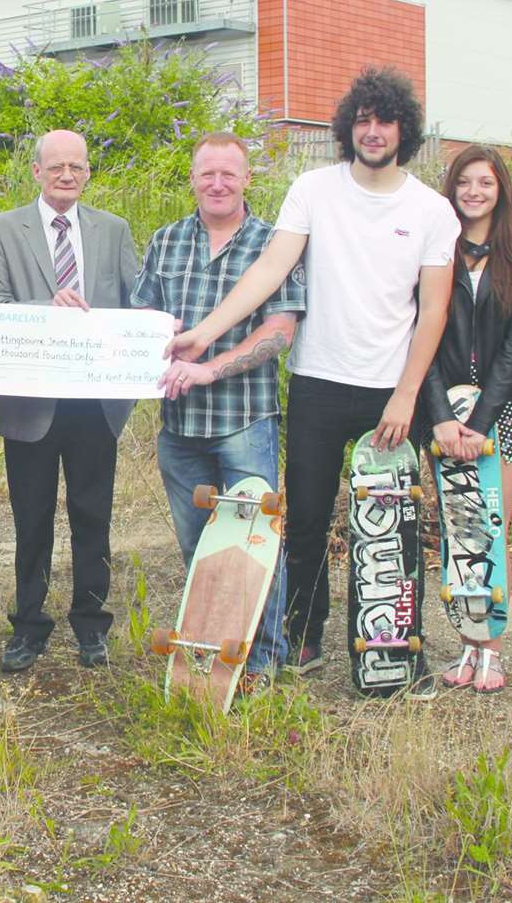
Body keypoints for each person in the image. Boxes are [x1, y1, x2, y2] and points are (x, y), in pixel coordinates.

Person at [168, 68, 459, 683]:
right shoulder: (313, 189)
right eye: (363, 120)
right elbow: (270, 271)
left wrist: (407, 396)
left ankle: (396, 643)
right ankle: (303, 636)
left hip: (390, 389)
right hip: (318, 382)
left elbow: (432, 311)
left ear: (404, 130)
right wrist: (206, 332)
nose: (373, 131)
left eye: (385, 121)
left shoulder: (431, 209)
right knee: (304, 519)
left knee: (393, 521)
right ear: (347, 126)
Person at [137, 131, 303, 694]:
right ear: (192, 177)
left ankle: (265, 662)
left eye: (229, 173)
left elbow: (279, 332)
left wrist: (211, 365)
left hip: (244, 420)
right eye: (207, 172)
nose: (217, 183)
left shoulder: (272, 244)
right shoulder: (166, 240)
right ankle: (211, 654)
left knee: (255, 547)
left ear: (248, 178)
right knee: (199, 549)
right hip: (179, 427)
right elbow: (143, 321)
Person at [0, 130, 138, 672]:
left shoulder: (114, 231)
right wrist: (48, 308)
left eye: (77, 166)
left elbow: (132, 306)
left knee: (93, 515)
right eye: (56, 167)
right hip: (32, 401)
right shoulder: (0, 230)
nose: (66, 174)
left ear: (89, 172)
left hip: (94, 402)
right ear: (37, 172)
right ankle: (29, 626)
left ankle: (92, 626)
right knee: (32, 519)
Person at [420, 145, 512, 694]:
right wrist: (445, 416)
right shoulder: (434, 249)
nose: (474, 191)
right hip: (445, 413)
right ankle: (464, 647)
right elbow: (416, 338)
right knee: (458, 529)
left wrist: (483, 419)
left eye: (485, 183)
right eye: (464, 182)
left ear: (501, 191)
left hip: (507, 408)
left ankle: (491, 649)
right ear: (451, 188)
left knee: (492, 525)